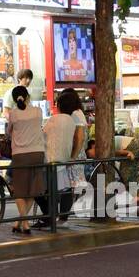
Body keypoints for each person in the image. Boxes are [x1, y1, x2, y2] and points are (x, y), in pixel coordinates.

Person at [6, 85, 47, 234]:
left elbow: (9, 132)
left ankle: (24, 222)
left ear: (14, 99)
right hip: (37, 153)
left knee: (19, 191)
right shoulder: (38, 111)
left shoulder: (14, 114)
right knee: (32, 190)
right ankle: (22, 223)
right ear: (27, 96)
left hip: (20, 155)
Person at [42, 90, 84, 222]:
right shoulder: (72, 116)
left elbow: (79, 138)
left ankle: (60, 216)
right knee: (66, 185)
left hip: (71, 154)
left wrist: (73, 156)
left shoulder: (75, 116)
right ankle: (62, 216)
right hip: (68, 155)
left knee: (66, 186)